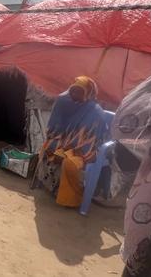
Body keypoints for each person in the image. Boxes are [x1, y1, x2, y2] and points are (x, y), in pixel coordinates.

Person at [35, 76, 110, 207]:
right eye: (73, 91)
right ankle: (54, 189)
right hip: (69, 143)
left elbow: (93, 140)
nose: (74, 94)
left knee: (70, 163)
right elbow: (62, 129)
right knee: (47, 147)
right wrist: (60, 144)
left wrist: (67, 151)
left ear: (88, 93)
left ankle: (73, 199)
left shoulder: (96, 113)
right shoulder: (72, 105)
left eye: (79, 92)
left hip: (87, 149)